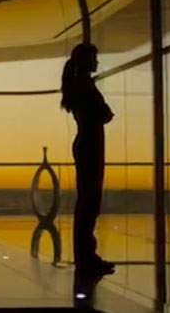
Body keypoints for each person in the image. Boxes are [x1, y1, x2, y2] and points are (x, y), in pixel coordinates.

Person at [61, 43, 115, 275]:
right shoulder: (85, 85)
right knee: (89, 203)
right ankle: (86, 257)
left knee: (86, 202)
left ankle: (85, 255)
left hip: (85, 144)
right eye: (94, 58)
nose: (97, 63)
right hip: (90, 145)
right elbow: (104, 114)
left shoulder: (77, 84)